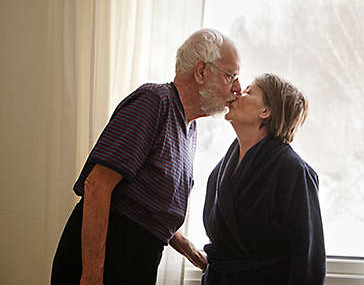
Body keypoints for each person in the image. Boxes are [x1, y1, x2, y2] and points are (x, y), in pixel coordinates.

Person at [51, 28, 241, 285]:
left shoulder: (189, 127)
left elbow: (149, 209)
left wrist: (189, 249)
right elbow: (97, 186)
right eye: (231, 76)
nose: (238, 88)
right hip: (104, 260)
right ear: (201, 71)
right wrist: (92, 275)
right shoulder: (154, 102)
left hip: (138, 262)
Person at [202, 73, 326, 284]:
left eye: (249, 91)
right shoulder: (220, 171)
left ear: (265, 111)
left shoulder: (293, 171)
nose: (239, 93)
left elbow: (308, 261)